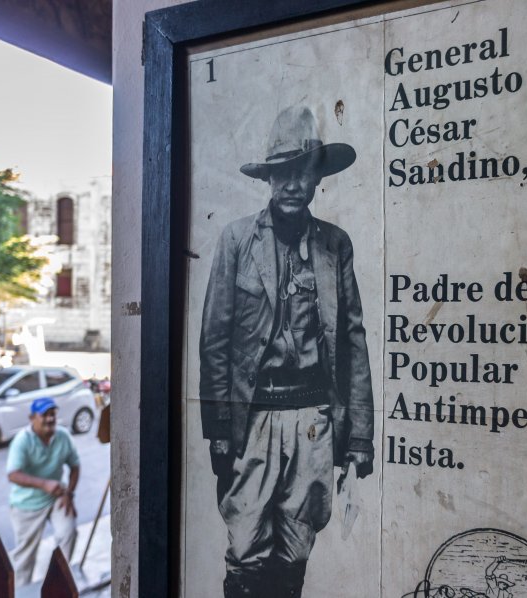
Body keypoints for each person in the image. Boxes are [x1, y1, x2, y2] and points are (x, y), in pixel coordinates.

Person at [199, 105, 374, 598]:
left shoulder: (335, 245)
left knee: (296, 551)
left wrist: (359, 436)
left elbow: (352, 341)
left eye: (303, 172)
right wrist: (217, 428)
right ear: (269, 179)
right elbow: (215, 339)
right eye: (282, 173)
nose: (293, 184)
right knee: (247, 548)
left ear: (317, 178)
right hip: (253, 419)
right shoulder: (236, 240)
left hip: (314, 420)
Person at [6, 397, 80, 585]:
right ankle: (21, 591)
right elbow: (13, 475)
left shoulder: (63, 436)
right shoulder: (22, 441)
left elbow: (75, 466)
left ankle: (58, 583)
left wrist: (69, 493)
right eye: (44, 415)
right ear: (32, 418)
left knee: (68, 532)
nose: (49, 419)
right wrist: (44, 484)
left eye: (52, 414)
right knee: (25, 556)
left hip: (56, 497)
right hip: (26, 503)